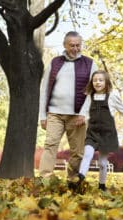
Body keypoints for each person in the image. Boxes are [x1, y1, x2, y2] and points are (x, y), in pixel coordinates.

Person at [39, 31, 98, 183]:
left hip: (77, 115)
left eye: (78, 45)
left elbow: (93, 91)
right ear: (65, 45)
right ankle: (45, 179)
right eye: (72, 45)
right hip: (54, 113)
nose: (75, 48)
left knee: (78, 152)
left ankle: (72, 180)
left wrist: (84, 113)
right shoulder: (54, 62)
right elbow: (44, 89)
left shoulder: (90, 64)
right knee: (50, 145)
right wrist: (43, 116)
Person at [73, 70, 123, 191]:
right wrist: (81, 118)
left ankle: (102, 185)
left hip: (107, 134)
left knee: (102, 162)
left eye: (101, 80)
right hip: (92, 132)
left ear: (106, 82)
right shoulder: (90, 97)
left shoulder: (113, 96)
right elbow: (84, 111)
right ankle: (79, 179)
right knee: (87, 155)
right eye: (95, 80)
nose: (97, 82)